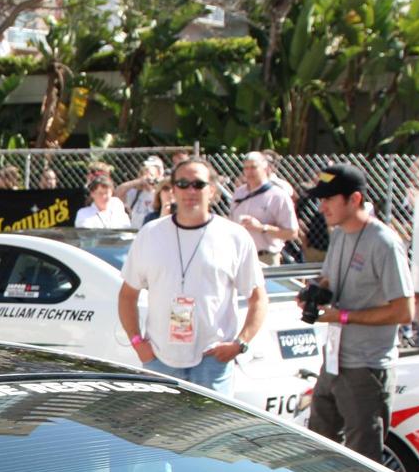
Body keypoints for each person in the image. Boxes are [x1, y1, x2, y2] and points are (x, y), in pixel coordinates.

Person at [117, 157, 266, 394]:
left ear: (212, 190)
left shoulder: (234, 236)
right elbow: (127, 295)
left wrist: (240, 344)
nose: (190, 191)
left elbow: (258, 298)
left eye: (198, 184)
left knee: (213, 431)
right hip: (159, 361)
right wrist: (137, 343)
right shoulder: (150, 234)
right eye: (183, 184)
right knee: (160, 431)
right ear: (173, 189)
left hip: (212, 362)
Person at [301, 164, 414, 462]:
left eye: (328, 198)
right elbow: (329, 280)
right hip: (334, 361)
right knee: (319, 449)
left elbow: (404, 311)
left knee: (363, 461)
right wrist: (313, 292)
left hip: (367, 367)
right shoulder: (338, 234)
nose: (321, 205)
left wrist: (344, 317)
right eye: (320, 198)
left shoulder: (384, 243)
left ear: (353, 199)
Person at [230, 150, 298, 266]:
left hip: (265, 258)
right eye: (246, 168)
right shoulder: (239, 193)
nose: (249, 172)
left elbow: (292, 233)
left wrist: (262, 228)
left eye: (253, 167)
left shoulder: (278, 196)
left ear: (265, 169)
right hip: (239, 256)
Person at [118, 156, 165, 228]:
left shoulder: (160, 193)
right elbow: (119, 192)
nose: (147, 177)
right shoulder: (136, 193)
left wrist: (154, 184)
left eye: (151, 174)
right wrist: (138, 182)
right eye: (144, 173)